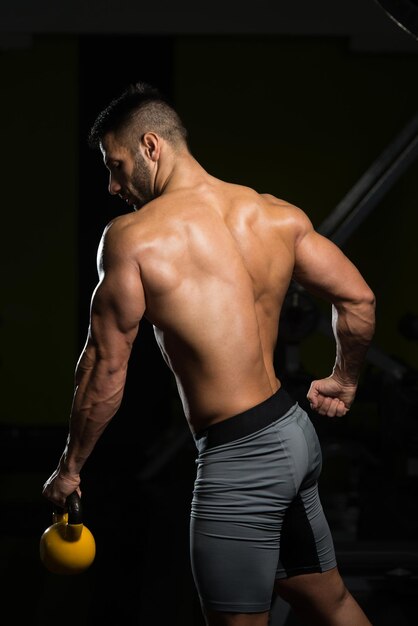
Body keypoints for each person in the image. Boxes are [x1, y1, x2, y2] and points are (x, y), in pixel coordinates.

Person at [42, 82, 375, 626]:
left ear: (152, 146)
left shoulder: (132, 238)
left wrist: (70, 468)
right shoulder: (274, 215)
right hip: (293, 435)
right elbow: (358, 299)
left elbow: (105, 368)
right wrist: (345, 378)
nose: (111, 184)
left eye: (116, 164)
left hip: (241, 458)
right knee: (329, 601)